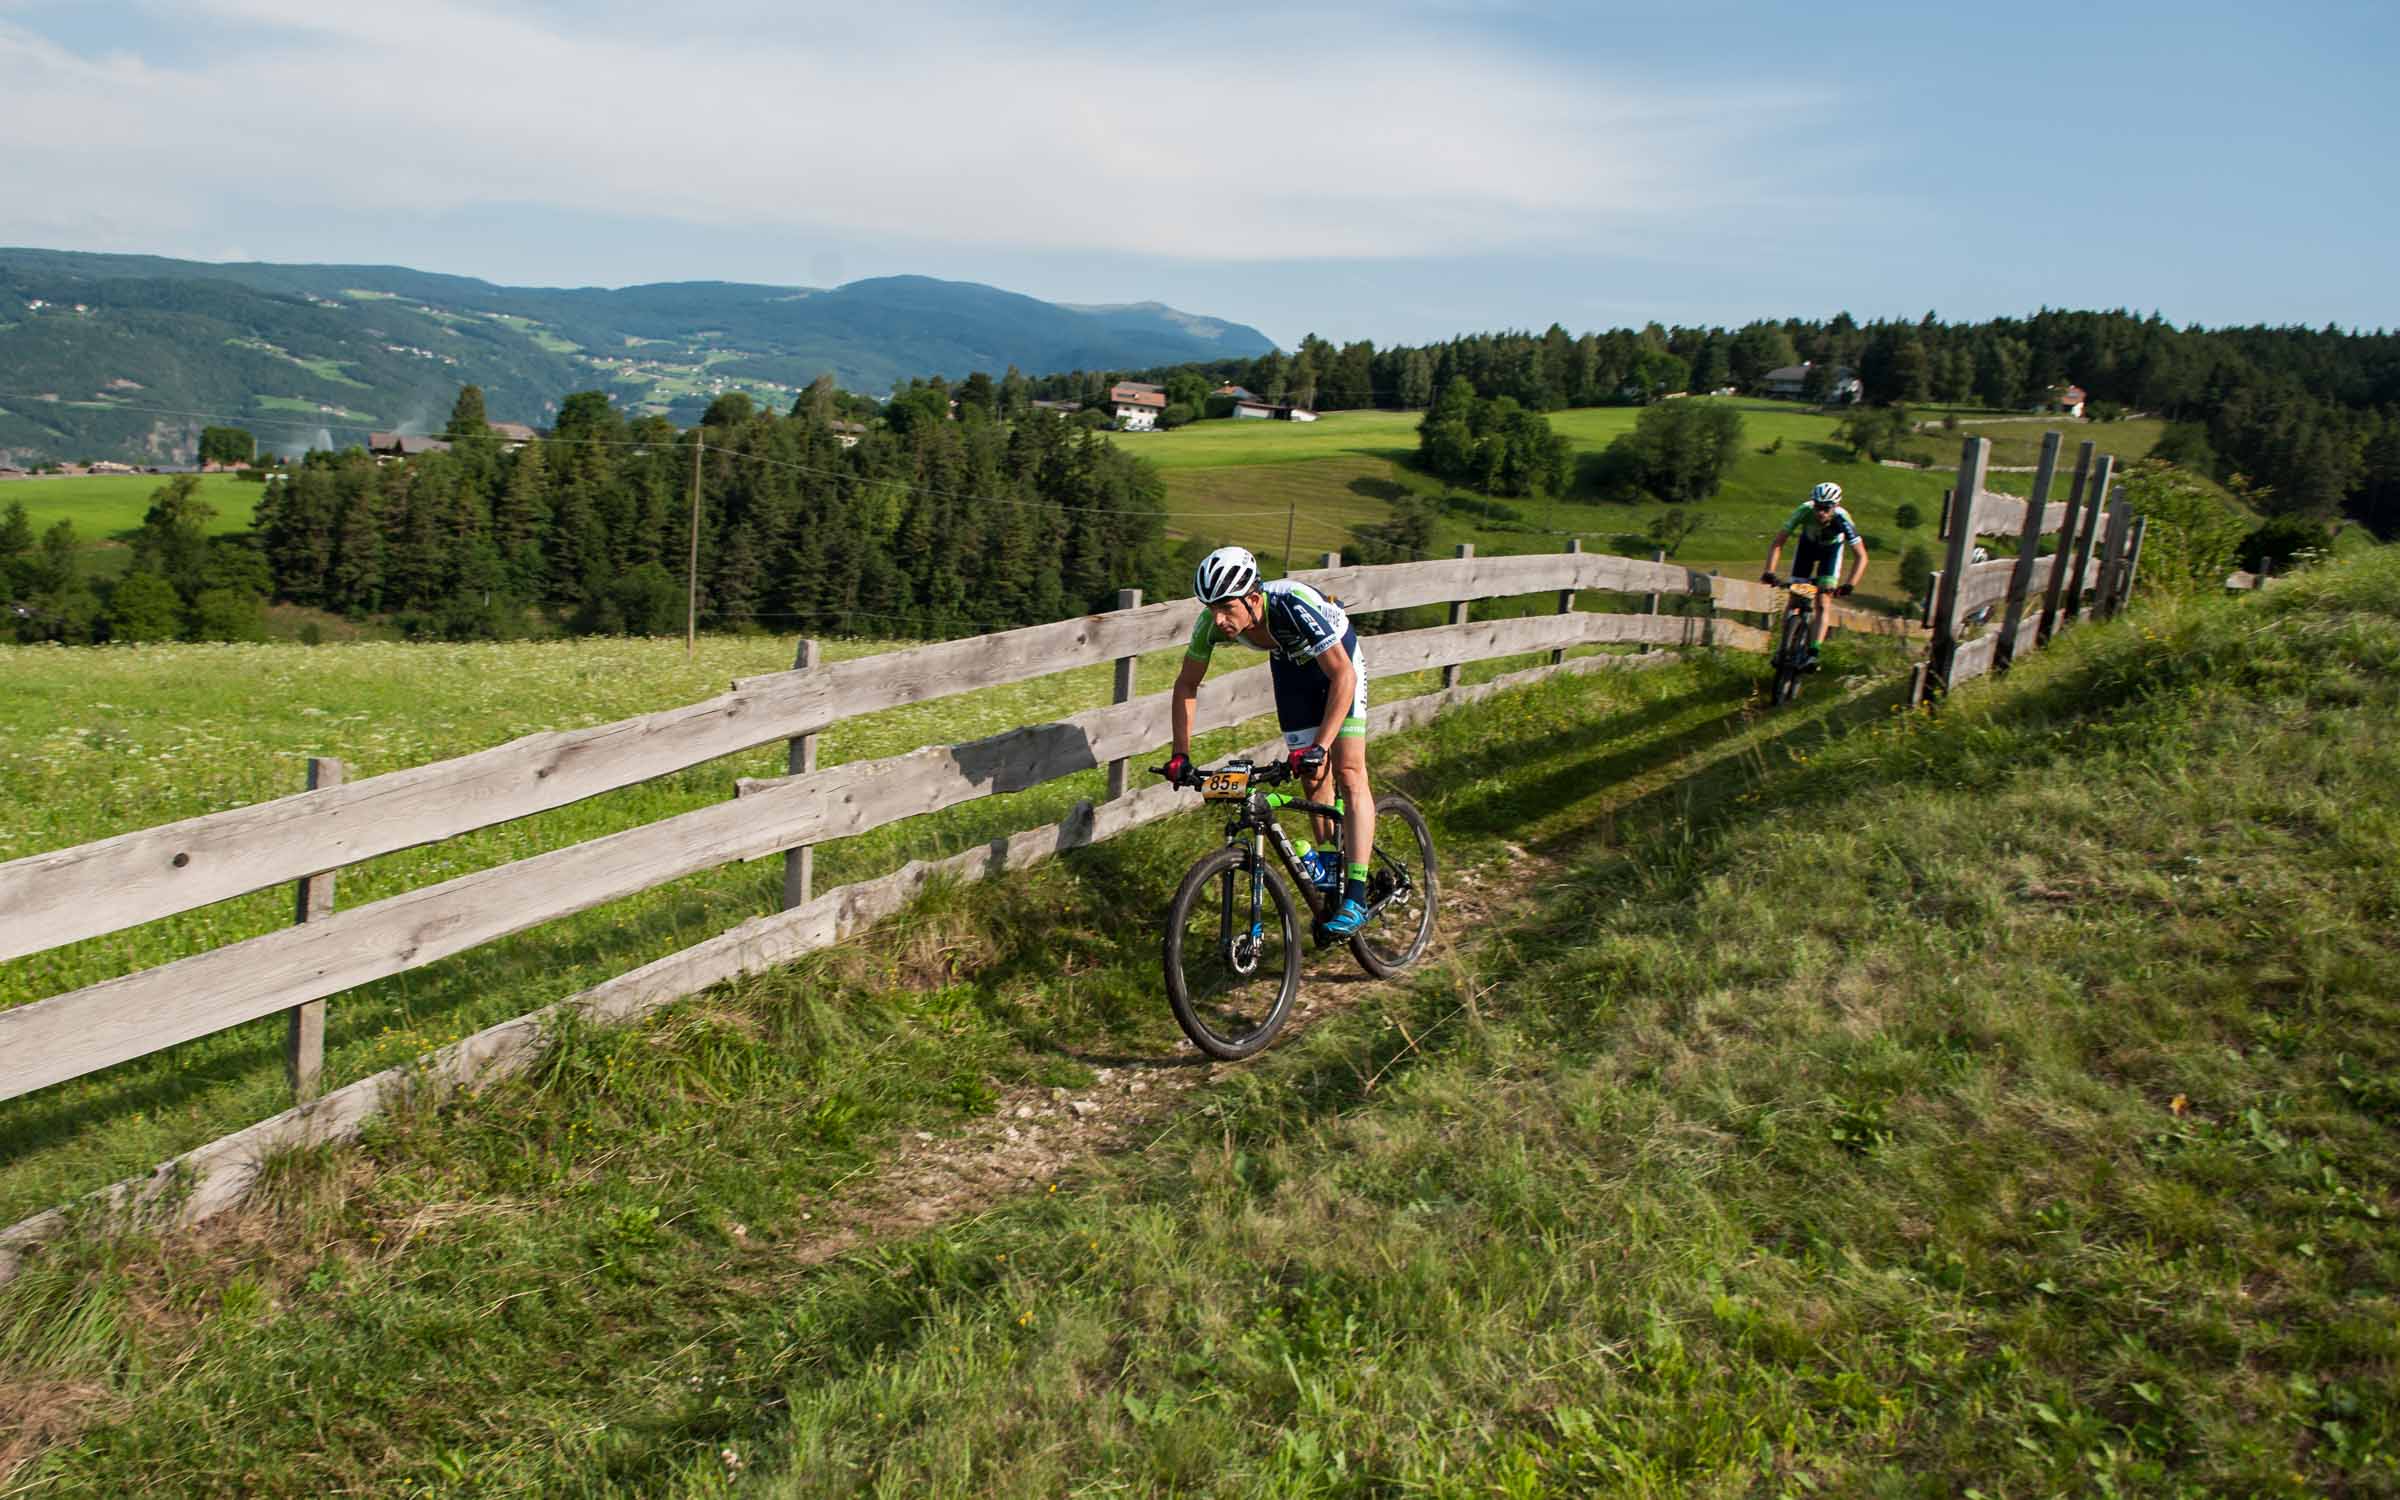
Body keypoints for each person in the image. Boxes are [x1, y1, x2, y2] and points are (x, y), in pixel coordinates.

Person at [1161, 545, 1377, 937]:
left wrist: (1322, 744)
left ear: (1254, 598)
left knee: (1346, 769)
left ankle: (1357, 895)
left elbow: (1342, 677)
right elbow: (1186, 684)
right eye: (1211, 608)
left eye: (1227, 607)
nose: (1219, 619)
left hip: (1337, 659)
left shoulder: (1290, 604)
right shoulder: (1211, 624)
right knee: (1310, 777)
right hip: (1290, 665)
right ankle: (1330, 860)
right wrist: (1181, 753)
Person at [1761, 481, 1869, 668]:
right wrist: (1769, 571)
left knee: (1822, 601)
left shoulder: (1843, 519)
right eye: (1818, 507)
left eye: (1826, 508)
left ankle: (1813, 652)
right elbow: (1778, 542)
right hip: (1807, 549)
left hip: (1830, 553)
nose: (1821, 512)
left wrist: (1850, 584)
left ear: (1835, 507)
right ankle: (1784, 646)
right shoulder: (1804, 510)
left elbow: (1861, 556)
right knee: (1795, 598)